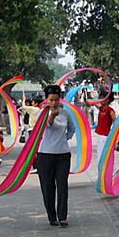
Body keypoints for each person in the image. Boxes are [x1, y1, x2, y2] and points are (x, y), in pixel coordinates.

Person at [36, 85, 75, 227]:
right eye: (51, 100)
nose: (53, 103)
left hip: (63, 155)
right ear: (46, 99)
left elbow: (72, 129)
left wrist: (65, 139)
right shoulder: (41, 114)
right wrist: (51, 115)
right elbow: (48, 125)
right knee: (47, 187)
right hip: (45, 155)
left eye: (56, 100)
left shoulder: (65, 113)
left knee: (62, 186)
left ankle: (62, 216)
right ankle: (52, 216)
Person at [95, 92, 116, 158]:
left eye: (103, 99)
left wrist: (114, 133)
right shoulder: (101, 108)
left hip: (105, 135)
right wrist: (88, 100)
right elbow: (95, 104)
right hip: (99, 134)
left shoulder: (110, 110)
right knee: (99, 153)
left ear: (107, 100)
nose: (101, 100)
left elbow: (115, 121)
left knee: (104, 155)